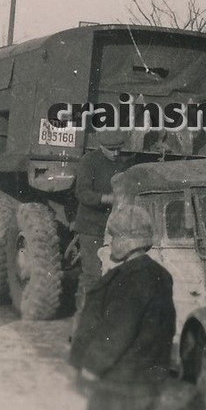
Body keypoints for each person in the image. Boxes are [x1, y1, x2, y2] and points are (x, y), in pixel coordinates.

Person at [69, 204, 176, 410]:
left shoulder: (128, 280)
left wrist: (90, 367)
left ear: (126, 241)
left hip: (118, 388)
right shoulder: (161, 275)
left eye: (114, 237)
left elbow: (116, 332)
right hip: (148, 384)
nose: (111, 243)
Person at [73, 130, 132, 309]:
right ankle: (84, 317)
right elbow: (82, 193)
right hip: (91, 227)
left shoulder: (121, 164)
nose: (116, 153)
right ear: (101, 146)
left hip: (113, 228)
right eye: (111, 149)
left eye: (119, 149)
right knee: (92, 275)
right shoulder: (89, 161)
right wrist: (107, 199)